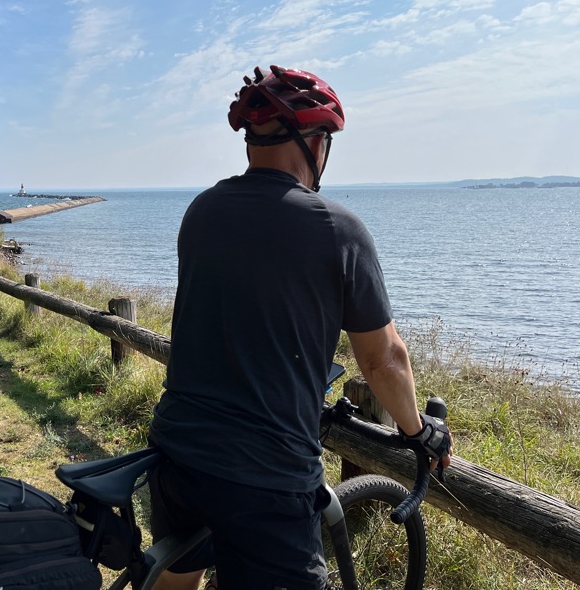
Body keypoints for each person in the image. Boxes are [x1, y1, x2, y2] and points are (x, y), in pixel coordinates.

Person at [147, 65, 453, 590]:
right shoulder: (338, 229)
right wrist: (419, 431)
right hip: (267, 476)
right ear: (315, 144)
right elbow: (383, 359)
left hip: (177, 451)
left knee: (176, 582)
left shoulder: (202, 211)